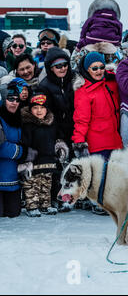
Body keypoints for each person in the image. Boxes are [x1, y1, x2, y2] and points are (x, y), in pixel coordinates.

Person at [38, 47, 75, 211]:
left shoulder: (74, 81)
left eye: (64, 64)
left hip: (73, 130)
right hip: (56, 132)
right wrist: (57, 137)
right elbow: (47, 115)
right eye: (57, 66)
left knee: (72, 167)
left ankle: (71, 196)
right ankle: (56, 197)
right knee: (58, 166)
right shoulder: (45, 86)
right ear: (50, 68)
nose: (62, 68)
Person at [20, 91, 69, 217]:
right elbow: (25, 142)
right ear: (30, 110)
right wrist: (27, 155)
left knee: (46, 184)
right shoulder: (28, 125)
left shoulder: (51, 124)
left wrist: (60, 148)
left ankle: (45, 205)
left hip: (48, 161)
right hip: (34, 162)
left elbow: (58, 138)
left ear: (47, 109)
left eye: (42, 107)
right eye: (35, 108)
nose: (39, 111)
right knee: (32, 185)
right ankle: (32, 206)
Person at [72, 51, 123, 161]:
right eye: (94, 68)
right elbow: (81, 120)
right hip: (98, 145)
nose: (99, 71)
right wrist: (79, 142)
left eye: (101, 67)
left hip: (116, 141)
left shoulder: (112, 82)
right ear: (87, 69)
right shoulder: (84, 91)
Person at [0, 81, 32, 217]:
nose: (14, 102)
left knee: (14, 213)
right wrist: (22, 152)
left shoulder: (20, 118)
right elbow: (1, 147)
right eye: (10, 99)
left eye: (17, 99)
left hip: (13, 177)